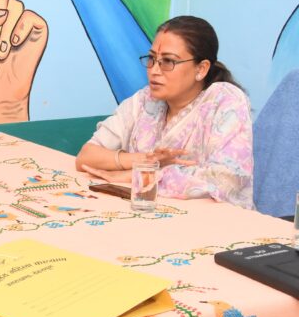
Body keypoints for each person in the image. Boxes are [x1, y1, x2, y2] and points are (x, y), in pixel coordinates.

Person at [75, 16, 254, 209]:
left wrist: (138, 176)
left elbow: (226, 179)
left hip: (217, 220)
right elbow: (86, 157)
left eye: (168, 61)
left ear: (201, 69)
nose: (154, 70)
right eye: (152, 59)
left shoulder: (225, 100)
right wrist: (145, 161)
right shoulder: (145, 100)